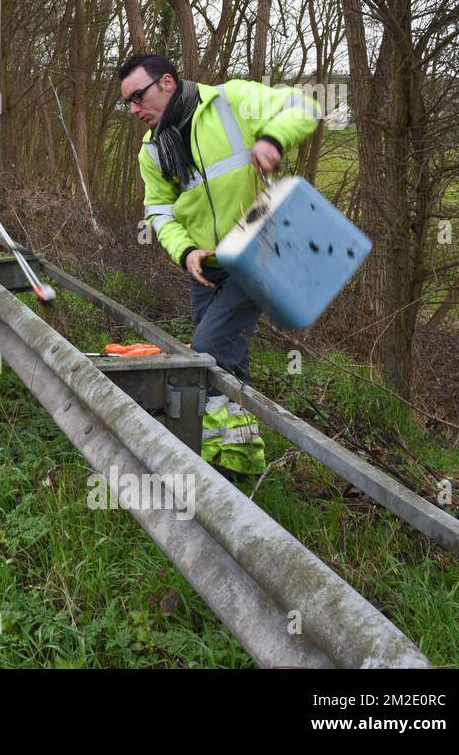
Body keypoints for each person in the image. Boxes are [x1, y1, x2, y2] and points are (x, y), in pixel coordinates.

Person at [118, 53, 320, 475]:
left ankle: (201, 463)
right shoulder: (152, 150)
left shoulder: (231, 101)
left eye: (138, 96)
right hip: (205, 267)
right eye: (128, 102)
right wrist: (185, 251)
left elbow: (303, 107)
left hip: (256, 255)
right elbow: (159, 211)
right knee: (230, 359)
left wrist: (272, 141)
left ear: (167, 82)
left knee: (205, 355)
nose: (134, 109)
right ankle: (241, 456)